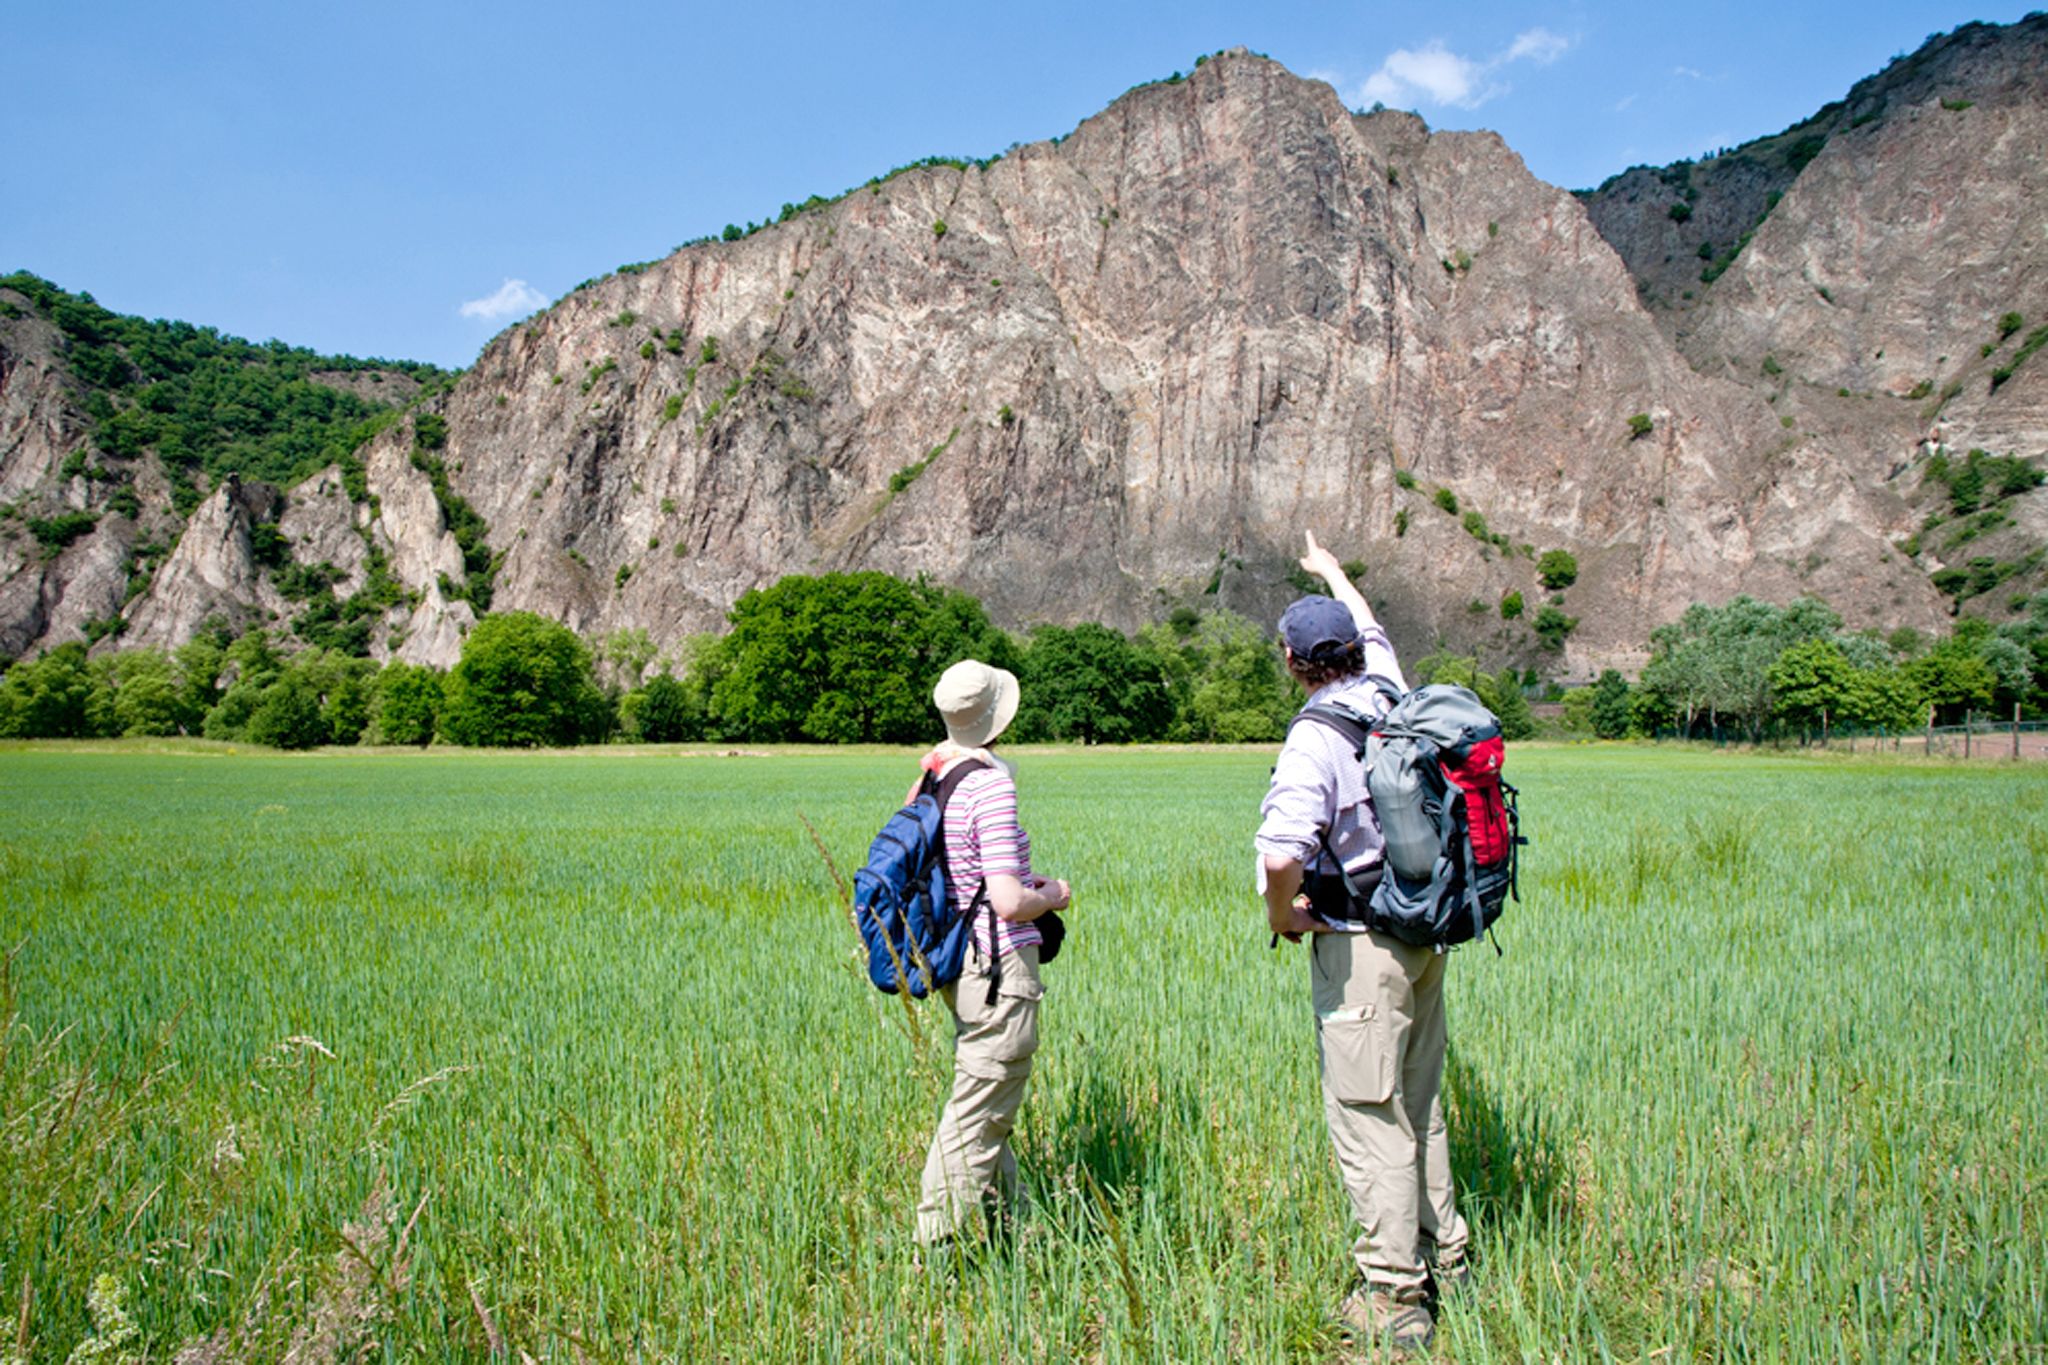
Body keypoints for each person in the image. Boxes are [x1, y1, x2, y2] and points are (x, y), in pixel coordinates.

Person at [1255, 531, 1470, 1354]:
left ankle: (1393, 1296)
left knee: (1370, 1115)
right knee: (1420, 1105)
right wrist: (1334, 572)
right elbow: (1374, 625)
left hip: (1360, 952)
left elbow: (1282, 852)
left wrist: (1282, 913)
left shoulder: (1313, 738)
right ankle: (1446, 1255)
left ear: (1292, 662)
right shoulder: (1388, 690)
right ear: (1348, 649)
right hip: (1425, 936)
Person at [913, 658, 1072, 1251]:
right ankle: (936, 1245)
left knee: (987, 1094)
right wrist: (1052, 895)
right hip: (999, 966)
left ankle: (1021, 1229)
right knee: (980, 1108)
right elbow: (1007, 900)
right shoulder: (989, 785)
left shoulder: (934, 774)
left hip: (958, 964)